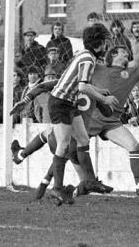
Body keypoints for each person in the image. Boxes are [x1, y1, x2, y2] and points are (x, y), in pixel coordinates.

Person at [12, 29, 139, 198]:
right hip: (91, 118)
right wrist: (33, 93)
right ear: (112, 55)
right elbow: (67, 81)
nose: (126, 54)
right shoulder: (96, 67)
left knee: (133, 146)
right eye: (122, 52)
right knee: (62, 143)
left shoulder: (132, 72)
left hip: (111, 121)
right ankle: (43, 177)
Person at [46, 23, 119, 204]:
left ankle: (90, 181)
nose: (106, 47)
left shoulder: (83, 55)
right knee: (63, 144)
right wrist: (104, 99)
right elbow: (82, 86)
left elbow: (83, 83)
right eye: (104, 42)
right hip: (60, 103)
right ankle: (57, 188)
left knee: (83, 139)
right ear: (98, 43)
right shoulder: (88, 59)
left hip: (69, 103)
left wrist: (99, 90)